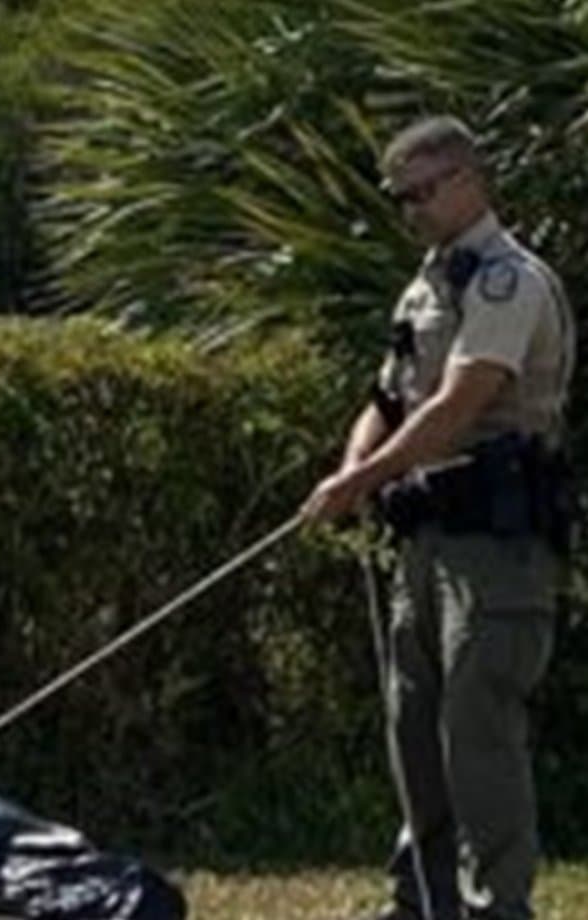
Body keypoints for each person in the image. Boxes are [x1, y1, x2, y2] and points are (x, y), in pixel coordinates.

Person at [300, 116, 576, 920]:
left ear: (469, 179)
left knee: (476, 730)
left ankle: (499, 906)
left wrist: (363, 482)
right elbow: (389, 399)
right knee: (411, 725)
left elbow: (461, 403)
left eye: (424, 191)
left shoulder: (508, 280)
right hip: (424, 537)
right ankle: (421, 901)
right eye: (400, 197)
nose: (413, 208)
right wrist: (354, 471)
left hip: (498, 546)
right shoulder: (423, 287)